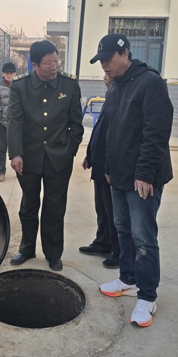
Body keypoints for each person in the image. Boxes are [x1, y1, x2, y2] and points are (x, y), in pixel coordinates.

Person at [90, 33, 173, 328]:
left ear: (125, 54)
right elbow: (110, 131)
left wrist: (145, 173)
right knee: (122, 229)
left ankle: (148, 296)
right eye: (101, 61)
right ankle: (127, 279)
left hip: (142, 179)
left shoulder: (150, 83)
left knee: (143, 237)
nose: (104, 66)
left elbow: (156, 132)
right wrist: (108, 166)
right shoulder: (115, 87)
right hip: (119, 175)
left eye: (108, 59)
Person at [7, 40, 84, 272]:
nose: (54, 67)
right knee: (28, 205)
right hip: (28, 158)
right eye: (49, 63)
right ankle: (27, 248)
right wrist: (15, 153)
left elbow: (76, 123)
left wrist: (70, 150)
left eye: (56, 61)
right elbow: (15, 121)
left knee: (55, 207)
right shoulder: (20, 86)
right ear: (35, 65)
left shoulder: (69, 84)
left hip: (59, 157)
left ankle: (53, 253)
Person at [79, 73, 120, 269]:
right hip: (100, 164)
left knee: (113, 212)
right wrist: (90, 155)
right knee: (102, 208)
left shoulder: (119, 97)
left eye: (108, 74)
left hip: (109, 167)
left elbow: (114, 136)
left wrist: (107, 165)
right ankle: (102, 242)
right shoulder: (110, 95)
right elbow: (99, 131)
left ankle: (117, 251)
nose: (104, 78)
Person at [0, 62, 17, 182]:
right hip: (3, 123)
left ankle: (19, 170)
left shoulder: (19, 85)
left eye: (11, 73)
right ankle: (1, 171)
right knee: (2, 148)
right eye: (7, 73)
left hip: (16, 123)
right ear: (3, 74)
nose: (9, 75)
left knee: (18, 147)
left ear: (15, 73)